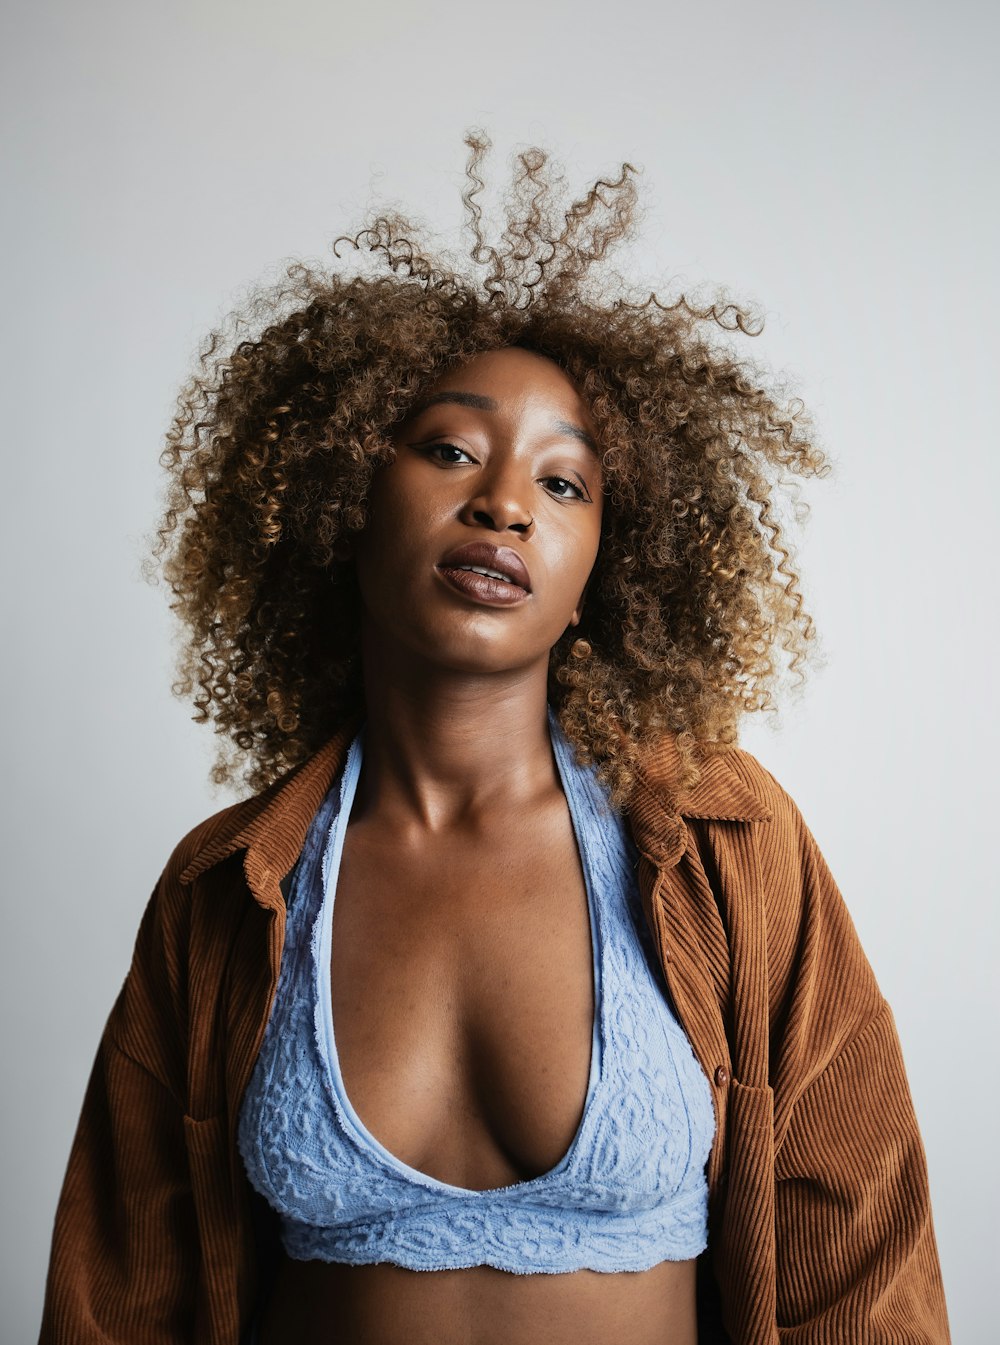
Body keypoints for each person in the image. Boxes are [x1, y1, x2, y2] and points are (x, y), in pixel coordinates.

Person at [39, 133, 951, 1345]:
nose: (504, 502)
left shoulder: (727, 845)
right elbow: (118, 1299)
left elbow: (860, 1261)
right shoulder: (229, 892)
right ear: (340, 500)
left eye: (564, 485)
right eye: (451, 450)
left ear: (601, 573)